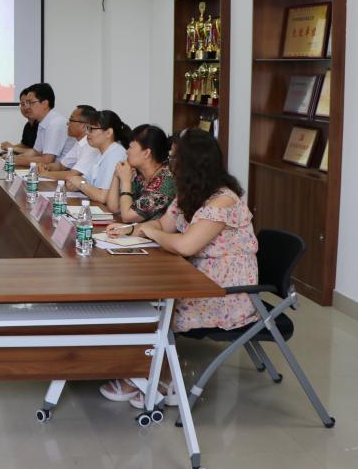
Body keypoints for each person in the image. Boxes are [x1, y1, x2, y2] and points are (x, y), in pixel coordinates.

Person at [101, 129, 260, 408]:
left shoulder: (223, 201)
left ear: (193, 164)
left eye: (175, 159)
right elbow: (163, 225)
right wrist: (132, 230)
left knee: (153, 309)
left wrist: (151, 233)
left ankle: (161, 378)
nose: (171, 164)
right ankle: (142, 372)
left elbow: (185, 246)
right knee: (141, 300)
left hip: (223, 293)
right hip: (193, 277)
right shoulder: (190, 193)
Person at [104, 125, 175, 222]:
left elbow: (127, 217)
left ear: (146, 153)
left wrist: (125, 181)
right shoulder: (141, 177)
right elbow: (114, 208)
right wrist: (117, 174)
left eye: (130, 147)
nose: (127, 152)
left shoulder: (165, 182)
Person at [67, 110, 130, 201]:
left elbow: (102, 197)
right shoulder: (101, 152)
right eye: (87, 128)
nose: (87, 133)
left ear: (108, 133)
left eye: (91, 129)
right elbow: (82, 180)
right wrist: (77, 182)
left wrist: (81, 185)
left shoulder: (116, 154)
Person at [11, 83, 70, 166]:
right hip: (50, 169)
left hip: (64, 171)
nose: (27, 107)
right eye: (26, 103)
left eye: (31, 102)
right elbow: (36, 152)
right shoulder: (43, 122)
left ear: (45, 104)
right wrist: (12, 157)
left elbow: (47, 160)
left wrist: (17, 160)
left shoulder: (55, 123)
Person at [38, 105, 99, 180]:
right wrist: (46, 167)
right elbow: (61, 166)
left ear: (83, 126)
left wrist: (46, 174)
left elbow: (73, 174)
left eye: (71, 120)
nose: (67, 123)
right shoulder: (79, 143)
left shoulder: (91, 146)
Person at [0, 85, 39, 156]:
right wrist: (9, 148)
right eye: (23, 104)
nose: (26, 107)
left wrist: (12, 148)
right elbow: (25, 145)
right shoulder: (28, 126)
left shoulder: (41, 125)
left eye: (29, 103)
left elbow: (37, 152)